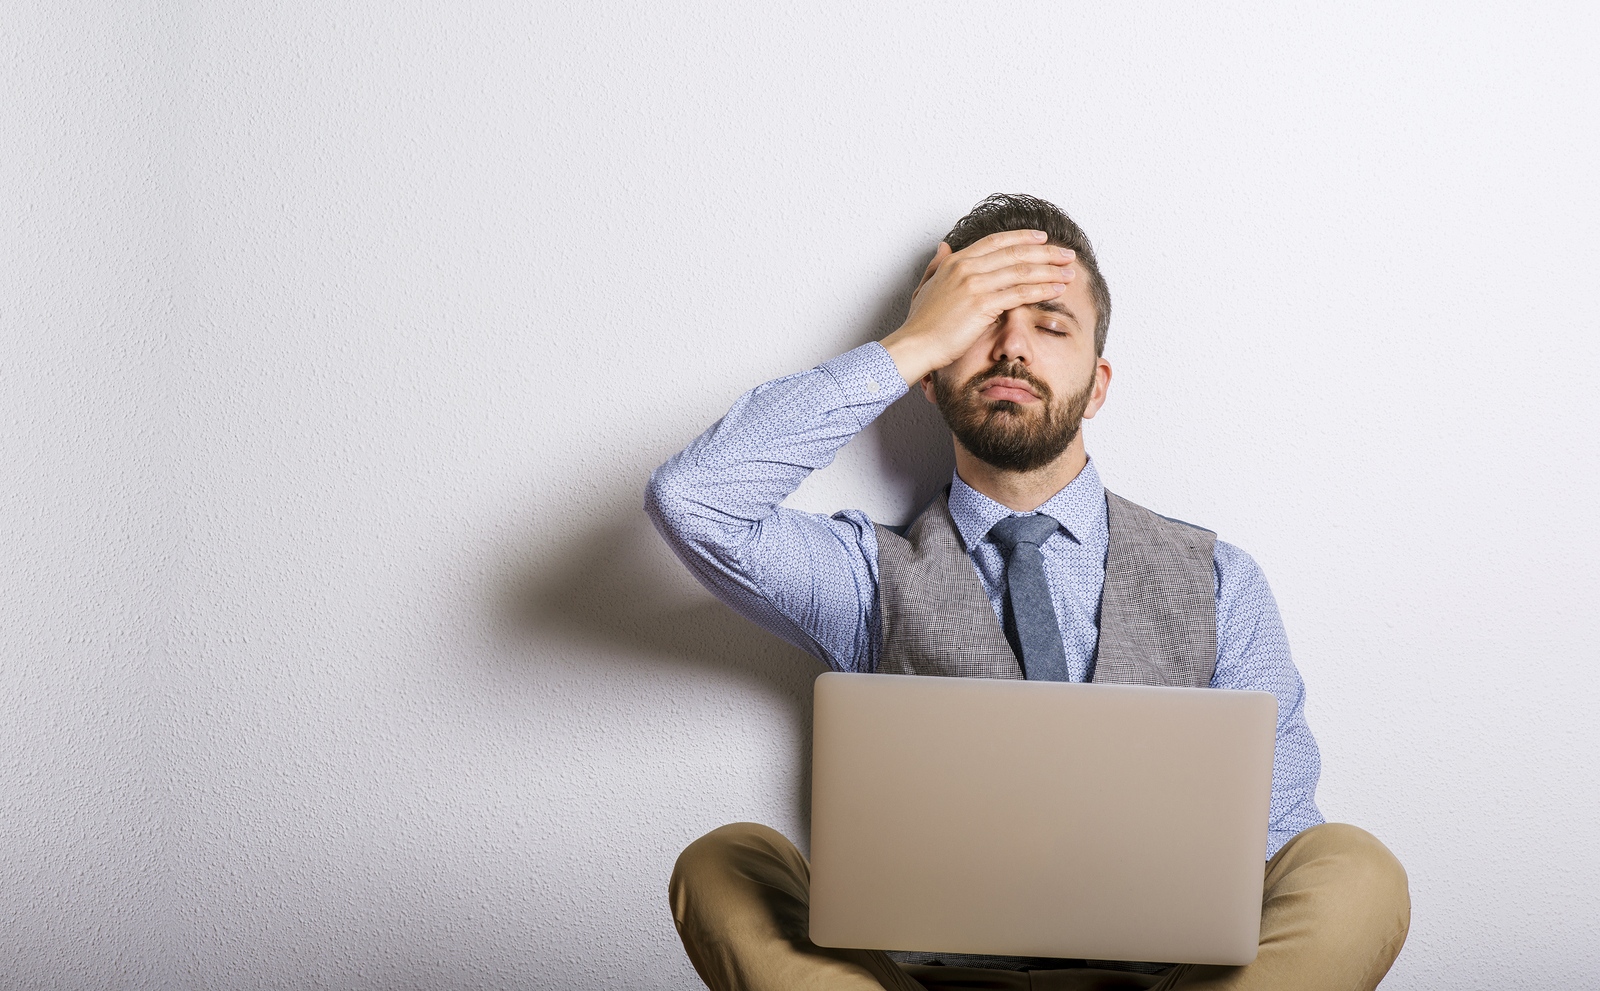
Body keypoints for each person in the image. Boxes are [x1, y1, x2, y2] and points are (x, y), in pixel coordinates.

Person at [644, 193, 1410, 991]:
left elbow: (1279, 843)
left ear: (1099, 384)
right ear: (932, 375)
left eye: (1050, 325)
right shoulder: (866, 575)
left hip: (1168, 983)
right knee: (727, 861)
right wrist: (911, 342)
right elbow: (694, 500)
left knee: (1352, 867)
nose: (1012, 347)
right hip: (925, 985)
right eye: (981, 322)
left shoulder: (1220, 580)